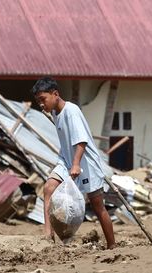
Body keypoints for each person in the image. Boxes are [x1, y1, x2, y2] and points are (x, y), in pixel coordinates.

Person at [32, 77, 115, 249]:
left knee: (98, 206)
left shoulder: (71, 111)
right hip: (66, 161)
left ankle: (112, 244)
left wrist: (76, 164)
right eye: (38, 101)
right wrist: (70, 163)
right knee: (48, 188)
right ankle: (48, 237)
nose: (41, 104)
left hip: (86, 164)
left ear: (55, 94)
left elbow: (81, 140)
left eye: (43, 99)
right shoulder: (55, 113)